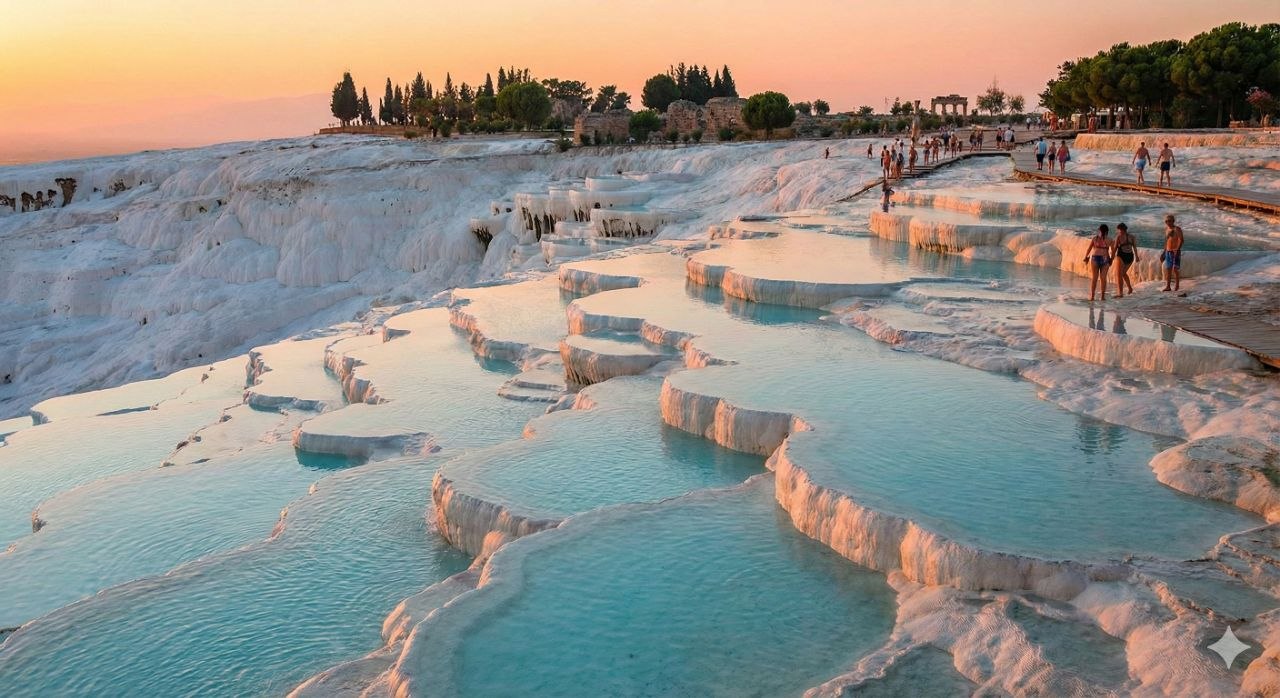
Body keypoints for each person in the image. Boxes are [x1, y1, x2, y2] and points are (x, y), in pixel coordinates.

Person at [1083, 223, 1112, 301]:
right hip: (1105, 258)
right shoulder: (1110, 239)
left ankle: (1092, 296)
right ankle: (1102, 297)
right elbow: (1113, 251)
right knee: (1103, 279)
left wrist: (1086, 257)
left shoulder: (1095, 238)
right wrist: (1111, 259)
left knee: (1094, 279)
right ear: (1107, 231)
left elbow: (1089, 249)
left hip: (1095, 258)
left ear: (1099, 230)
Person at [1111, 222, 1138, 297]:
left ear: (1123, 229)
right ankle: (1120, 293)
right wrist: (1112, 258)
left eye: (1119, 230)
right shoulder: (1118, 237)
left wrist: (1137, 256)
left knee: (1123, 273)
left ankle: (1130, 288)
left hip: (1130, 256)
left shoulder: (1132, 237)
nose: (1118, 232)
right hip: (1121, 255)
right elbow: (1115, 248)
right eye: (1118, 230)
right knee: (1119, 274)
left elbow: (1135, 247)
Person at [1161, 214, 1183, 292]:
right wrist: (1164, 252)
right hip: (1168, 251)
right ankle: (1168, 286)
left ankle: (1177, 286)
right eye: (1166, 221)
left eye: (1169, 221)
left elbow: (1181, 240)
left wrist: (1177, 249)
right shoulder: (1167, 229)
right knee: (1168, 269)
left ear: (1173, 221)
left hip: (1175, 251)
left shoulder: (1177, 229)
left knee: (1175, 269)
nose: (1168, 222)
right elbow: (1167, 241)